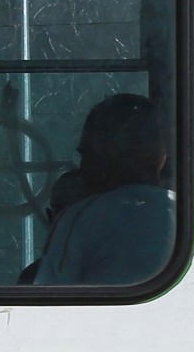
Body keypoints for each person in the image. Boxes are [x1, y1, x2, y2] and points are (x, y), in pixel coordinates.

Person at [28, 93, 175, 286]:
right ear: (161, 156)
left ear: (108, 153)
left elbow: (48, 301)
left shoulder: (79, 219)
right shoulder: (185, 215)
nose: (83, 167)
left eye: (87, 154)